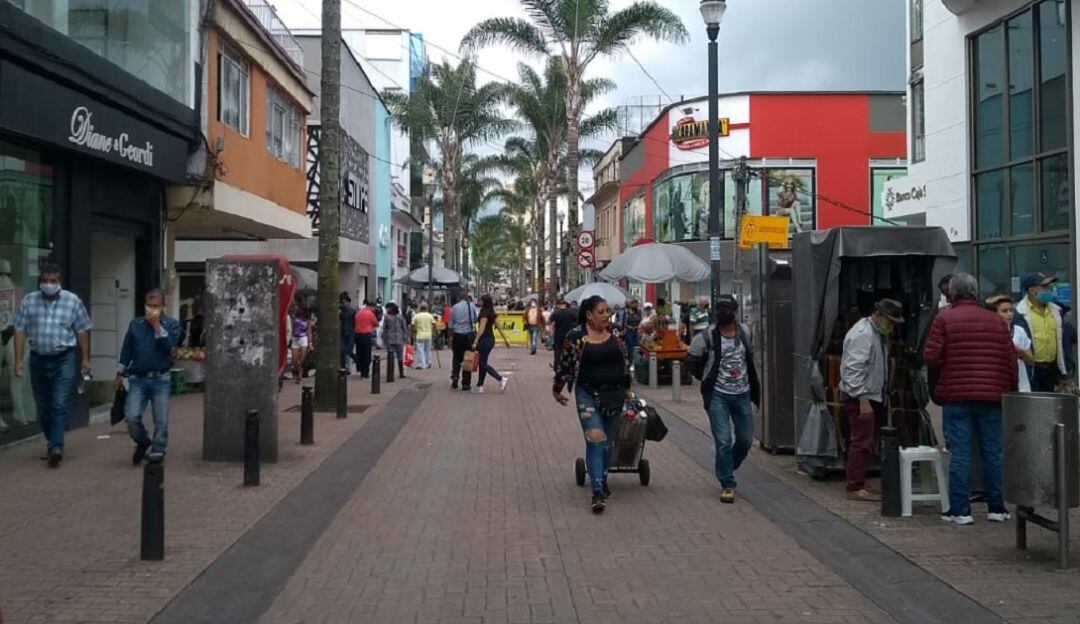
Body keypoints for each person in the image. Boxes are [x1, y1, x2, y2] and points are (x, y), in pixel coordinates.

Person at [924, 273, 1017, 525]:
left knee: (961, 453)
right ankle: (997, 508)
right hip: (992, 397)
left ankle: (960, 510)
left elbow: (931, 357)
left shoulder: (944, 319)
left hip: (957, 396)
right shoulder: (996, 321)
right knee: (992, 452)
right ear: (976, 292)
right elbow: (1010, 361)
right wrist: (1011, 390)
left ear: (953, 293)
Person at [553, 295, 632, 513]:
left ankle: (603, 478)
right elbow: (566, 365)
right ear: (589, 315)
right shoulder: (576, 336)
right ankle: (597, 490)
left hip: (614, 395)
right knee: (595, 439)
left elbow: (626, 361)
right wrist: (557, 388)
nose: (607, 315)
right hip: (587, 394)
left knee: (607, 443)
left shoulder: (616, 333)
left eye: (609, 311)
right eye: (602, 312)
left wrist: (627, 389)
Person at [11, 264, 92, 467]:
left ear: (60, 281)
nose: (49, 284)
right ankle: (51, 441)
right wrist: (19, 360)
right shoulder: (30, 301)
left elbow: (82, 330)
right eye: (45, 281)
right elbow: (19, 329)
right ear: (40, 281)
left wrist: (85, 358)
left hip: (63, 358)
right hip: (38, 358)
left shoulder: (72, 302)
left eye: (53, 281)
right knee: (43, 405)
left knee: (58, 403)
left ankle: (56, 446)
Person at [687, 295, 760, 503]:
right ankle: (727, 483)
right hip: (718, 394)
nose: (723, 313)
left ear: (735, 311)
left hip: (742, 393)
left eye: (727, 309)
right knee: (723, 441)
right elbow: (692, 358)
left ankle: (726, 466)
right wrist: (705, 377)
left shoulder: (745, 332)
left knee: (745, 439)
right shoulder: (708, 335)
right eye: (720, 309)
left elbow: (750, 356)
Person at [839, 298, 905, 502]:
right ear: (879, 316)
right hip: (861, 396)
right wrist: (863, 399)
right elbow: (853, 370)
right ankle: (855, 485)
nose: (892, 326)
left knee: (865, 440)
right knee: (862, 441)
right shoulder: (863, 335)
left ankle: (858, 480)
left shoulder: (875, 334)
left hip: (871, 394)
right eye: (890, 321)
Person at [116, 289, 181, 464]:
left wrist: (156, 326)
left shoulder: (172, 325)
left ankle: (158, 450)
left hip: (161, 378)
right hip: (138, 377)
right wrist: (119, 372)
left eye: (156, 306)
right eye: (148, 306)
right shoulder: (135, 325)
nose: (151, 310)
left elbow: (170, 347)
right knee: (131, 415)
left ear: (163, 307)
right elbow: (127, 349)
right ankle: (142, 440)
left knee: (161, 419)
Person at [1015, 272, 1068, 392]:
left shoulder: (1056, 311)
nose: (1048, 290)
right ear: (1032, 291)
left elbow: (1062, 342)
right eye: (1044, 287)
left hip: (1052, 369)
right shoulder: (1018, 313)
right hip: (1032, 370)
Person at [986, 294, 1033, 393]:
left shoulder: (1019, 331)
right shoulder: (988, 332)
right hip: (996, 385)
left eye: (1011, 310)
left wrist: (1017, 350)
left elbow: (1031, 360)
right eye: (1004, 311)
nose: (1010, 314)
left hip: (1021, 385)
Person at [473, 294, 511, 394]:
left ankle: (501, 379)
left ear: (484, 302)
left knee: (482, 363)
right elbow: (499, 327)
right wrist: (505, 339)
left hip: (484, 339)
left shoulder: (484, 313)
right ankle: (480, 386)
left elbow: (481, 329)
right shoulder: (492, 313)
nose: (478, 302)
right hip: (490, 340)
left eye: (480, 300)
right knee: (482, 362)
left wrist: (475, 341)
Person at [449, 290, 478, 391]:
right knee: (468, 358)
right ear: (467, 298)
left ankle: (455, 377)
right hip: (469, 335)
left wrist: (450, 337)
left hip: (457, 335)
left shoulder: (454, 307)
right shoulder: (472, 306)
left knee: (456, 357)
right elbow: (475, 320)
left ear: (459, 298)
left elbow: (451, 325)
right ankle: (466, 383)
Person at [549, 299, 577, 369]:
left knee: (557, 352)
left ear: (560, 305)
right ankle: (567, 367)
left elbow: (550, 321)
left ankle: (557, 366)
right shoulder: (570, 313)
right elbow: (576, 321)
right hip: (568, 335)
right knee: (568, 351)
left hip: (558, 335)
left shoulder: (556, 313)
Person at [382, 302, 408, 378]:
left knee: (390, 356)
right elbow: (404, 328)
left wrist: (384, 338)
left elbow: (384, 328)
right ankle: (401, 373)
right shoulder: (400, 317)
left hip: (389, 339)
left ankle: (390, 374)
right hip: (399, 339)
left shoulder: (387, 317)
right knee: (400, 356)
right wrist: (405, 337)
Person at [354, 300, 378, 378]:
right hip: (366, 335)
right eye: (374, 308)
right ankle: (365, 373)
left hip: (357, 335)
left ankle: (360, 369)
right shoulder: (370, 314)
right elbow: (375, 323)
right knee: (366, 354)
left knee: (359, 353)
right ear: (371, 307)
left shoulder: (359, 312)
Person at [289, 306, 312, 383]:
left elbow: (309, 331)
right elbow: (291, 328)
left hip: (303, 339)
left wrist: (310, 342)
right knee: (295, 360)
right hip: (295, 338)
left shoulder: (308, 320)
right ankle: (296, 370)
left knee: (301, 359)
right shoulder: (294, 318)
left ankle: (299, 375)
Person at [411, 303, 435, 369]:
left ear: (420, 308)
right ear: (426, 308)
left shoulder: (416, 316)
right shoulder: (430, 316)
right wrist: (434, 332)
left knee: (420, 350)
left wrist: (412, 332)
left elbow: (412, 325)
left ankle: (421, 364)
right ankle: (428, 363)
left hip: (420, 335)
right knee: (428, 349)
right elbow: (434, 324)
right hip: (428, 335)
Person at [339, 293, 357, 372]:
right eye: (342, 302)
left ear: (349, 302)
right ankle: (343, 368)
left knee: (349, 351)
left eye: (345, 302)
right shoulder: (341, 312)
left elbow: (356, 322)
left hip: (351, 333)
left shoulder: (353, 311)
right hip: (343, 333)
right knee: (342, 351)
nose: (344, 304)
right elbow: (340, 321)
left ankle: (358, 360)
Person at [622, 299, 643, 367]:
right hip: (629, 331)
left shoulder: (639, 312)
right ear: (631, 304)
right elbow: (623, 323)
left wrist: (638, 328)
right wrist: (623, 333)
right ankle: (629, 364)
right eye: (634, 304)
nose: (635, 305)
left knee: (636, 348)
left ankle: (636, 363)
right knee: (629, 348)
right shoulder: (626, 312)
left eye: (636, 304)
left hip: (636, 331)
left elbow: (640, 321)